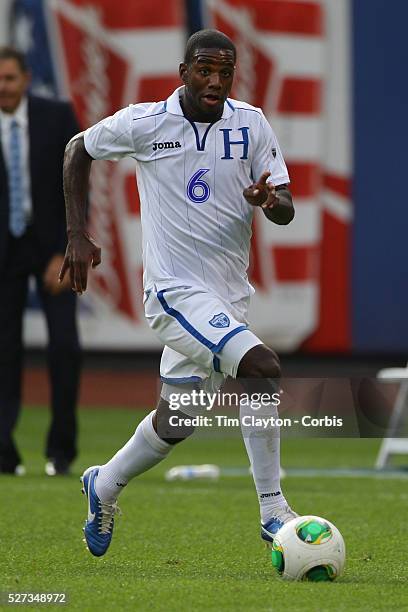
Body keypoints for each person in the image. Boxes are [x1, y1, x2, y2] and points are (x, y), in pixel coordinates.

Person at [60, 29, 297, 557]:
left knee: (179, 420)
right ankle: (273, 510)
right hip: (173, 293)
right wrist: (77, 232)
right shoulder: (147, 122)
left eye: (224, 72)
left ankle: (104, 483)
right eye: (204, 70)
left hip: (228, 296)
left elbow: (285, 204)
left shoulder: (251, 123)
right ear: (183, 71)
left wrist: (267, 201)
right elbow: (78, 149)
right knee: (262, 369)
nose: (215, 81)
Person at [0, 47, 81, 476]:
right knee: (4, 350)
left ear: (26, 79)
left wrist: (70, 247)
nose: (3, 87)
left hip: (53, 248)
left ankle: (61, 451)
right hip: (5, 251)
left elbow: (79, 182)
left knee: (64, 346)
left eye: (9, 78)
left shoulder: (56, 116)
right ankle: (3, 454)